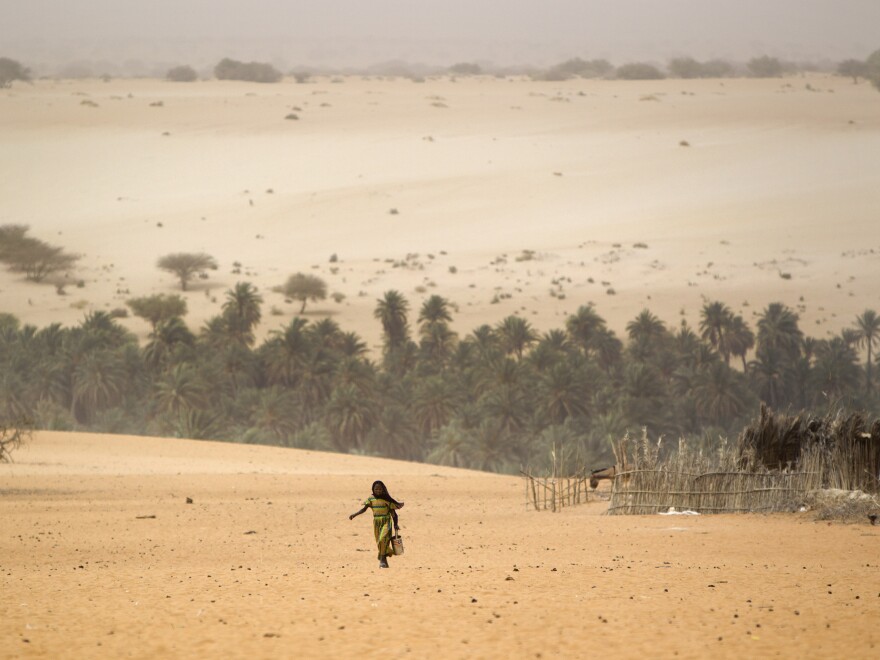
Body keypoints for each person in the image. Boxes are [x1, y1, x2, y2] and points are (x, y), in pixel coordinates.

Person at [349, 480, 404, 568]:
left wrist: (395, 524)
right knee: (379, 542)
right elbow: (364, 509)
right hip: (376, 523)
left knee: (382, 539)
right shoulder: (371, 499)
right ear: (373, 489)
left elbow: (393, 514)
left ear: (383, 490)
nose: (378, 491)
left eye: (380, 489)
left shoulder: (386, 500)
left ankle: (382, 559)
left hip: (386, 522)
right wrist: (354, 515)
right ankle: (384, 560)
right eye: (376, 489)